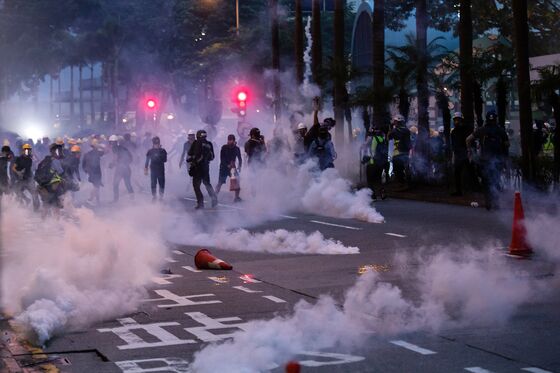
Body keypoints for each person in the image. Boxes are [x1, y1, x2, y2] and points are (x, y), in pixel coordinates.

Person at [467, 110, 509, 210]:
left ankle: (488, 202)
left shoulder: (481, 130)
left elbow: (468, 139)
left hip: (484, 161)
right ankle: (497, 202)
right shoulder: (501, 131)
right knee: (496, 180)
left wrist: (471, 152)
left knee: (486, 182)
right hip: (497, 161)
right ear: (496, 118)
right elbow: (507, 145)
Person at [187, 129, 217, 209]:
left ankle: (200, 203)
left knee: (196, 185)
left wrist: (192, 160)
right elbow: (212, 157)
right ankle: (214, 199)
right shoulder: (209, 143)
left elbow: (190, 154)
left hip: (197, 167)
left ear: (198, 135)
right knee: (207, 184)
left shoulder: (196, 142)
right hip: (206, 167)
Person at [362, 126, 389, 201]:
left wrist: (366, 158)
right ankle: (382, 191)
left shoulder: (372, 139)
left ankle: (373, 196)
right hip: (380, 163)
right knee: (378, 179)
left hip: (372, 163)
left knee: (370, 180)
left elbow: (371, 151)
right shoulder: (382, 139)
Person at [450, 112, 473, 196]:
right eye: (455, 120)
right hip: (457, 154)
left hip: (465, 153)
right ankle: (459, 191)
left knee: (470, 171)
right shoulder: (453, 132)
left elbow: (469, 141)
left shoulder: (465, 130)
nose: (456, 121)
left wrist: (469, 153)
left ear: (461, 120)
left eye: (458, 120)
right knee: (457, 173)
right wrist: (453, 156)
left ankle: (472, 189)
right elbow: (453, 145)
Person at [12, 143, 40, 210]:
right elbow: (13, 167)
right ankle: (25, 201)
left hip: (29, 179)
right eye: (26, 150)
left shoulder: (30, 159)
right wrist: (18, 172)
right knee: (16, 190)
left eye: (29, 150)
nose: (27, 151)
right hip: (22, 180)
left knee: (35, 194)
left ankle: (36, 209)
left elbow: (35, 161)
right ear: (23, 150)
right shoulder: (19, 159)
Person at [215, 134, 242, 202]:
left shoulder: (236, 148)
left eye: (232, 140)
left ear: (234, 140)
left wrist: (240, 166)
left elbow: (240, 158)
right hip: (224, 168)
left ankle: (236, 198)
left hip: (232, 168)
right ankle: (214, 196)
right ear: (228, 140)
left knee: (237, 181)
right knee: (220, 183)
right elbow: (222, 158)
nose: (231, 141)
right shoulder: (224, 147)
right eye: (230, 140)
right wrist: (227, 165)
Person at [109, 134, 134, 202]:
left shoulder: (115, 148)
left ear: (114, 142)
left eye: (111, 142)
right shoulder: (123, 148)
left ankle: (115, 200)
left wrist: (112, 164)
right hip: (126, 169)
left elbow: (115, 158)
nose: (110, 144)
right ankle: (132, 199)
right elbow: (131, 158)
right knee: (128, 184)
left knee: (115, 184)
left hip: (120, 170)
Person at [388, 114, 412, 184]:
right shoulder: (407, 130)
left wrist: (391, 128)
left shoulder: (395, 131)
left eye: (395, 121)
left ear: (398, 122)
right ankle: (408, 182)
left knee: (398, 170)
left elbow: (389, 137)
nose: (394, 123)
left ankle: (401, 183)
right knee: (406, 168)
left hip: (397, 153)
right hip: (406, 152)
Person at [82, 139, 105, 205]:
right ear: (96, 146)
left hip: (91, 172)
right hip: (96, 172)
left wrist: (86, 170)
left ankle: (98, 201)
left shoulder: (87, 154)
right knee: (96, 187)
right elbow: (106, 151)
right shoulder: (98, 152)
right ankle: (90, 199)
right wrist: (101, 146)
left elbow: (83, 164)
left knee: (97, 186)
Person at [145, 136, 167, 201]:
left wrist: (159, 155)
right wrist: (146, 168)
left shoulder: (163, 150)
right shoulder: (150, 151)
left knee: (161, 183)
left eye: (157, 143)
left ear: (159, 142)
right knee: (153, 183)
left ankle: (161, 197)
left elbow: (165, 160)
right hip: (153, 170)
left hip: (160, 170)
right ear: (153, 143)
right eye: (155, 143)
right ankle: (154, 196)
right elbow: (147, 160)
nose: (156, 144)